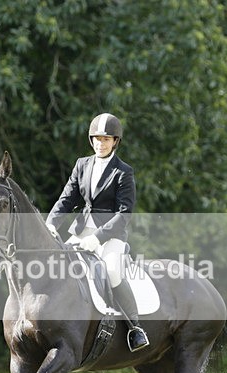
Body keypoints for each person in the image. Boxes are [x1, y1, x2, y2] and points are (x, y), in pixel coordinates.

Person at [46, 112, 150, 352]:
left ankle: (135, 328)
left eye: (106, 139)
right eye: (96, 139)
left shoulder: (124, 171)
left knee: (112, 271)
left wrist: (98, 238)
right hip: (82, 230)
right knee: (57, 264)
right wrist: (51, 223)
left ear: (115, 142)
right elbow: (66, 198)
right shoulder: (82, 164)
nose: (100, 144)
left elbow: (124, 214)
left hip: (110, 235)